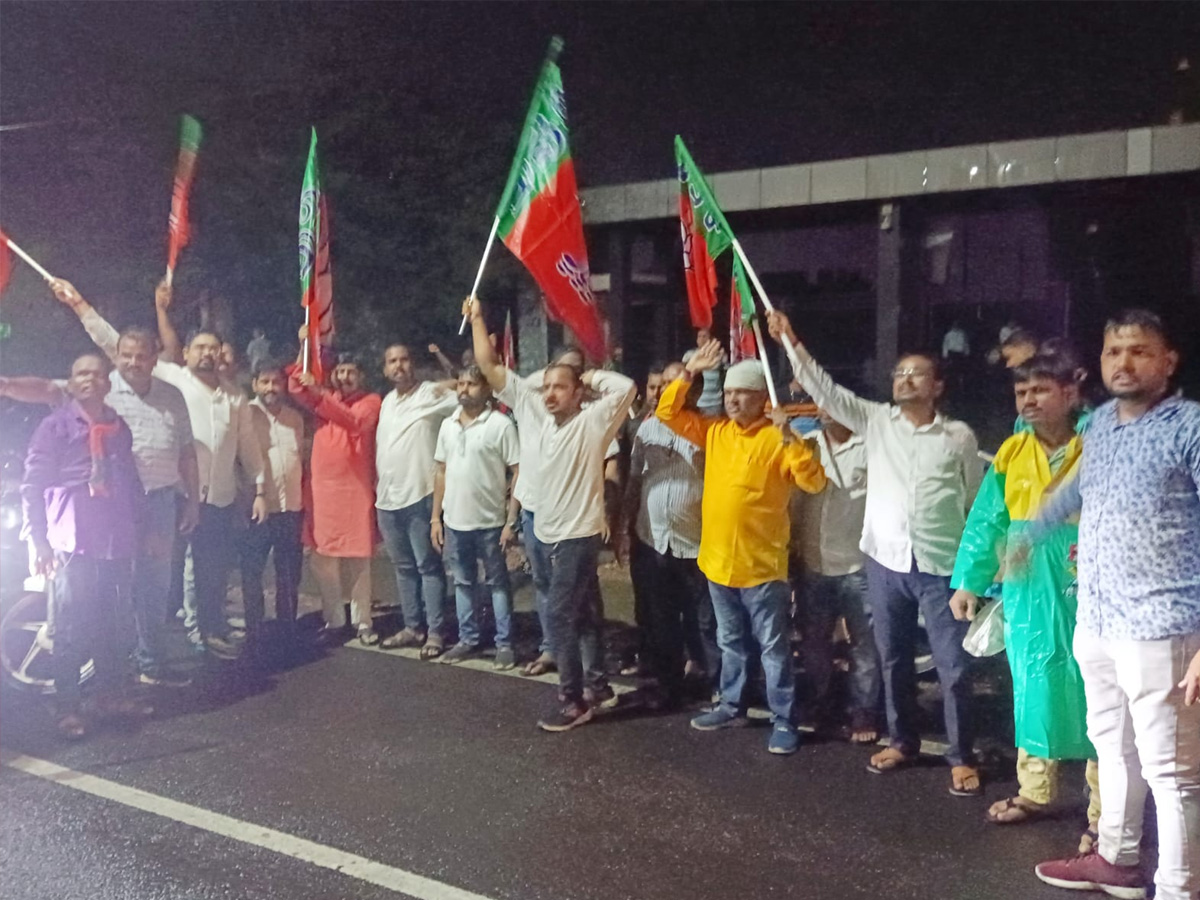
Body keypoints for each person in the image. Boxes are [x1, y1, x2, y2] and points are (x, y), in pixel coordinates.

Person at [768, 309, 984, 793]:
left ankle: (961, 755)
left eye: (916, 374)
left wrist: (975, 571)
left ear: (937, 386)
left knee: (953, 668)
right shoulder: (877, 421)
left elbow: (974, 503)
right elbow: (825, 390)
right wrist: (790, 341)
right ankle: (902, 741)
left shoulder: (958, 437)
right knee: (893, 659)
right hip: (885, 564)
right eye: (899, 373)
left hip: (940, 569)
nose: (905, 379)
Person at [1032, 310, 1200, 900]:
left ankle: (1179, 888)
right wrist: (1026, 534)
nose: (1123, 363)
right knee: (1112, 747)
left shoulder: (1190, 427)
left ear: (1168, 361)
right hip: (1099, 619)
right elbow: (1081, 485)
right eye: (1112, 352)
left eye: (1138, 351)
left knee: (1172, 773)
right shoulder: (1100, 423)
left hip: (1163, 627)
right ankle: (1117, 860)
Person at [62, 278, 267, 659]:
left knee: (205, 572)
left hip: (212, 495)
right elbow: (116, 344)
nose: (207, 354)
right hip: (155, 496)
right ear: (185, 353)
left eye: (213, 348)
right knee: (150, 576)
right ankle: (144, 649)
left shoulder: (234, 396)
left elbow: (245, 446)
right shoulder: (169, 377)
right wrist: (79, 305)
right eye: (199, 348)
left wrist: (258, 488)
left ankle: (197, 636)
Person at [0, 316, 200, 688]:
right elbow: (44, 392)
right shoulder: (76, 408)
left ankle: (145, 668)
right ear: (116, 361)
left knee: (146, 593)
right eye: (127, 355)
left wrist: (190, 501)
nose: (134, 362)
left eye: (142, 356)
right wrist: (6, 385)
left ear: (153, 359)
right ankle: (71, 698)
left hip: (147, 508)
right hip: (86, 526)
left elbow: (183, 453)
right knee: (80, 611)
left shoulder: (152, 406)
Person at [466, 295, 636, 731]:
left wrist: (587, 375)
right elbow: (488, 365)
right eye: (546, 386)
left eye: (560, 387)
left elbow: (626, 388)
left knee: (558, 613)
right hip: (542, 530)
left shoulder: (594, 421)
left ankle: (573, 700)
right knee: (580, 613)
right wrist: (479, 317)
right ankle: (597, 688)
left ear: (578, 392)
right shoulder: (531, 410)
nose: (549, 393)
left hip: (578, 536)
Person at [948, 351, 1099, 837]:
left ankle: (1105, 814)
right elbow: (987, 519)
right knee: (1032, 686)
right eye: (1021, 392)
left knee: (1099, 693)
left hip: (1087, 586)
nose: (1029, 400)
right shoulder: (1013, 453)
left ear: (1069, 393)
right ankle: (1035, 790)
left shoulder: (1101, 443)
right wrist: (969, 580)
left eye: (1040, 389)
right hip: (1029, 591)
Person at [658, 344, 827, 755]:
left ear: (762, 397)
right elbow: (667, 412)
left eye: (743, 393)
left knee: (773, 649)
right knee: (730, 641)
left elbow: (813, 481)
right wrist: (689, 372)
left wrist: (790, 439)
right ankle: (731, 705)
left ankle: (784, 719)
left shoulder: (777, 438)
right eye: (729, 392)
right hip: (717, 563)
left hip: (762, 567)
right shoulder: (715, 432)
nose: (733, 400)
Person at [20, 353, 150, 739]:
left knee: (113, 623)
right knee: (69, 628)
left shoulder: (118, 427)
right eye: (81, 373)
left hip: (114, 539)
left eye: (96, 373)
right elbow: (33, 485)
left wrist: (144, 531)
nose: (89, 379)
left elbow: (131, 480)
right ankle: (67, 707)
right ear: (71, 383)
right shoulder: (54, 426)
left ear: (108, 383)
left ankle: (109, 697)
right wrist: (39, 541)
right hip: (71, 541)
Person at [623, 361, 715, 709]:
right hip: (653, 539)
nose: (664, 391)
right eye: (661, 384)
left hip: (696, 542)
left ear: (695, 390)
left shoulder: (708, 429)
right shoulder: (648, 429)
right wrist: (625, 527)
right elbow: (635, 480)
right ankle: (668, 686)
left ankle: (709, 682)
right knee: (661, 620)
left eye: (673, 385)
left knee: (702, 621)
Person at [792, 408, 882, 744]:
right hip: (813, 561)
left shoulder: (871, 449)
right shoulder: (807, 444)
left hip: (859, 564)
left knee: (864, 645)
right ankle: (821, 702)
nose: (826, 410)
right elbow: (795, 499)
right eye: (822, 403)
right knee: (815, 641)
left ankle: (864, 710)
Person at [289, 345, 382, 645]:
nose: (344, 377)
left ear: (361, 376)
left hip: (355, 491)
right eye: (340, 371)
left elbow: (354, 422)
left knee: (358, 562)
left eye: (350, 372)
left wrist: (320, 394)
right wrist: (304, 346)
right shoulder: (325, 399)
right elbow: (295, 387)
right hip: (323, 493)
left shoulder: (370, 401)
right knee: (323, 560)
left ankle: (363, 622)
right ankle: (334, 619)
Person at [431, 365, 520, 668]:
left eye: (471, 384)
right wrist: (436, 518)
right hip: (455, 522)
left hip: (491, 523)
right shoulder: (448, 425)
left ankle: (504, 644)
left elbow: (517, 471)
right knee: (462, 582)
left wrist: (511, 520)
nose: (464, 389)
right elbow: (440, 471)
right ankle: (467, 639)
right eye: (460, 384)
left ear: (487, 389)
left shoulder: (500, 425)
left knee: (498, 583)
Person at [374, 343, 458, 659]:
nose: (399, 365)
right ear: (385, 369)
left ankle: (435, 632)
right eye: (392, 361)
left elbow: (468, 390)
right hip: (388, 500)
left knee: (428, 566)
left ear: (413, 364)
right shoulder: (387, 402)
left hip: (421, 495)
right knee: (403, 567)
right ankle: (413, 627)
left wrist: (449, 382)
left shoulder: (431, 394)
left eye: (404, 359)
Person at [242, 359, 306, 654]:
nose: (271, 388)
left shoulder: (295, 418)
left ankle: (287, 627)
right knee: (252, 570)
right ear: (255, 384)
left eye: (276, 382)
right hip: (258, 507)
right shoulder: (246, 414)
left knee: (289, 571)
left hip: (290, 506)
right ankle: (254, 629)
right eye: (265, 382)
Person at [681, 327, 727, 416]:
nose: (701, 339)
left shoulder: (719, 355)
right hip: (696, 402)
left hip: (715, 402)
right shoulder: (689, 355)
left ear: (711, 339)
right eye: (699, 336)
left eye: (704, 336)